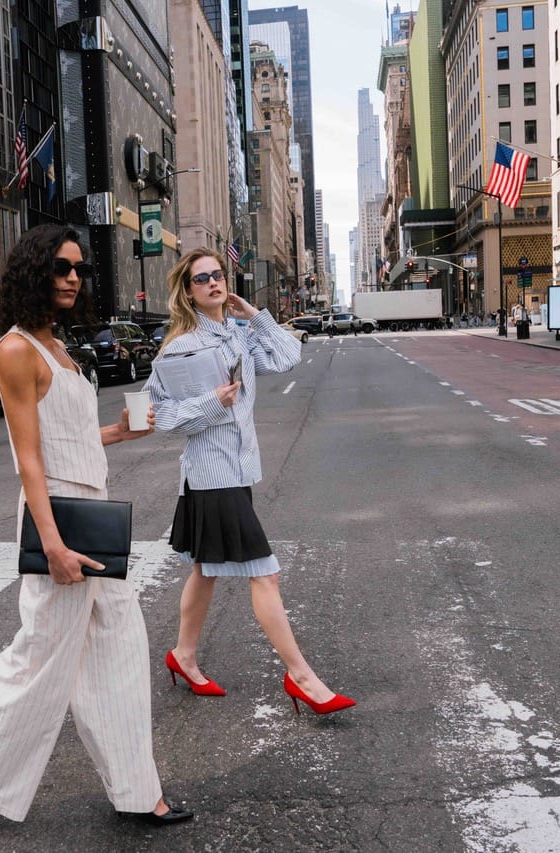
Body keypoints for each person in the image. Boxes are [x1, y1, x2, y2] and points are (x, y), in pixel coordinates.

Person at [0, 224, 191, 834]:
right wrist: (51, 543)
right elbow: (29, 457)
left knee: (120, 650)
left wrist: (117, 434)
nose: (73, 277)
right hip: (60, 519)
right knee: (40, 659)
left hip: (92, 514)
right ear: (34, 271)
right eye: (60, 266)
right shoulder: (17, 348)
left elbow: (67, 438)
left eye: (78, 267)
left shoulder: (61, 347)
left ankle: (138, 790)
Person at [147, 247, 356, 716]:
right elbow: (161, 417)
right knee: (265, 571)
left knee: (206, 569)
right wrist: (211, 404)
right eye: (202, 279)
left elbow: (287, 358)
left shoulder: (237, 335)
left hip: (237, 471)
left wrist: (255, 315)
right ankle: (302, 677)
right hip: (210, 475)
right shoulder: (181, 347)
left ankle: (183, 655)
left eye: (218, 275)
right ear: (188, 291)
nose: (214, 283)